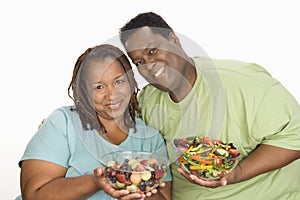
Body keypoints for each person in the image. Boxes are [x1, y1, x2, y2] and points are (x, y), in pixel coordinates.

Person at [118, 12, 300, 199]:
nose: (149, 65)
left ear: (174, 40)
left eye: (152, 51)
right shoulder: (147, 101)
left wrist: (235, 174)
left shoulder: (244, 83)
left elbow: (295, 135)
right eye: (139, 62)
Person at [16, 44, 171, 200]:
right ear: (83, 91)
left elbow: (163, 197)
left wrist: (141, 187)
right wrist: (97, 181)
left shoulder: (151, 139)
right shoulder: (63, 123)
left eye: (119, 82)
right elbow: (33, 194)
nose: (112, 95)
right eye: (99, 87)